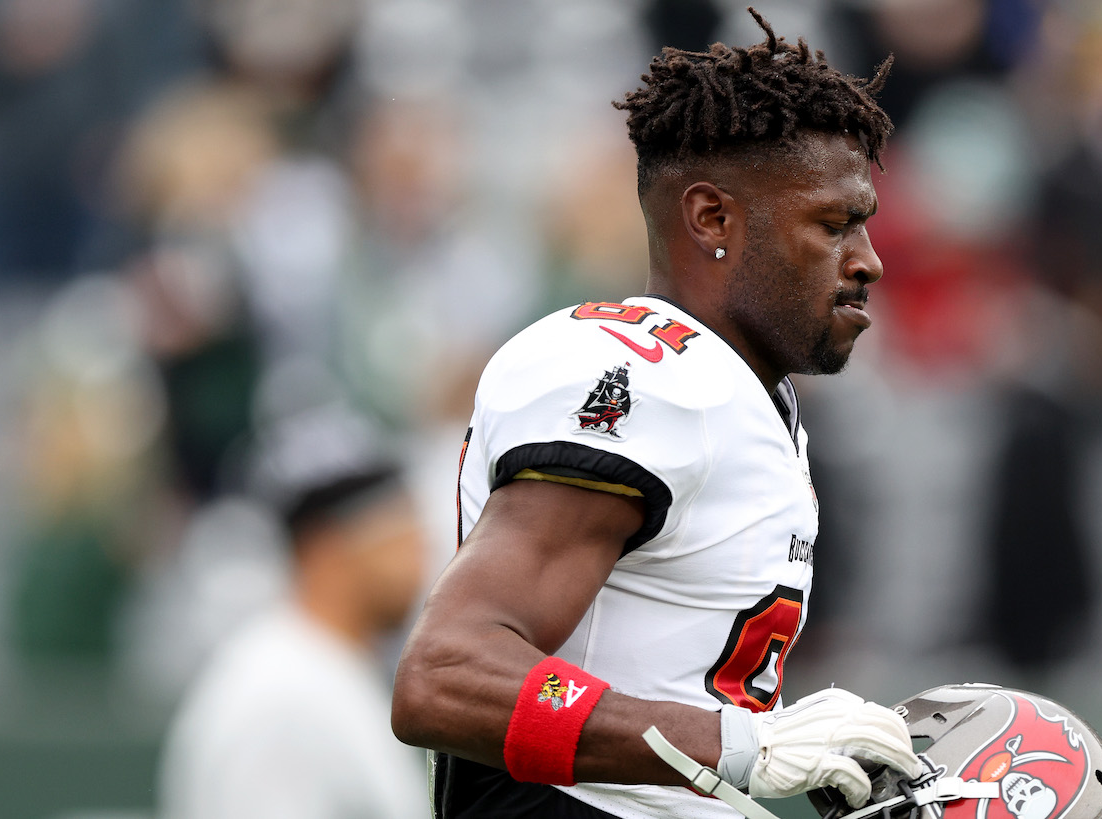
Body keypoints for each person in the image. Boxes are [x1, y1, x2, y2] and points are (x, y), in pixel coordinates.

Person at [391, 9, 919, 818]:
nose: (868, 261)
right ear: (713, 219)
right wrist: (737, 746)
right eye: (834, 223)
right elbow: (446, 675)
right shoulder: (645, 379)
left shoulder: (739, 393)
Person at [160, 410, 430, 819]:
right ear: (326, 547)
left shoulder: (325, 668)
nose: (419, 552)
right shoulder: (281, 696)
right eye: (397, 529)